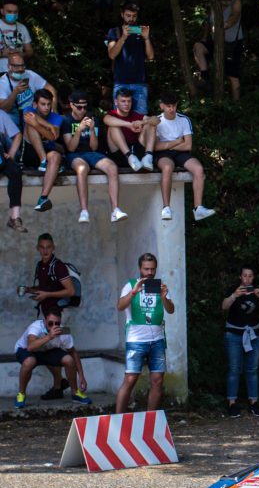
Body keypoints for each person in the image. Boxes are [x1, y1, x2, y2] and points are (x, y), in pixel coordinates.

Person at [115, 253, 174, 414]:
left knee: (157, 381)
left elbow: (171, 310)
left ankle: (150, 420)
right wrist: (134, 292)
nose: (149, 272)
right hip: (136, 340)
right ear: (140, 268)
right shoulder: (130, 285)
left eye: (152, 269)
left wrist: (164, 297)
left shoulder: (160, 286)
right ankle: (118, 419)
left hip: (157, 340)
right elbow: (120, 306)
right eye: (146, 269)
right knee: (130, 380)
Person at [23, 232, 78, 398]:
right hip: (46, 313)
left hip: (60, 314)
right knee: (47, 348)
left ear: (53, 248)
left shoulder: (58, 266)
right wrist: (29, 290)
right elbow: (44, 287)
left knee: (53, 349)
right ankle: (59, 383)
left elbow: (70, 291)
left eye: (48, 247)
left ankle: (59, 386)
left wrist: (47, 295)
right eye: (42, 247)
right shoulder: (40, 265)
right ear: (37, 248)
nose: (45, 250)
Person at [61, 90, 128, 224]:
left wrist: (91, 130)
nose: (82, 110)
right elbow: (70, 148)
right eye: (79, 107)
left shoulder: (92, 118)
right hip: (74, 154)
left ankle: (115, 210)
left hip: (91, 153)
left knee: (112, 167)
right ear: (72, 105)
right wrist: (79, 130)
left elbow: (94, 147)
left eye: (85, 107)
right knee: (82, 169)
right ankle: (84, 211)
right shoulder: (66, 120)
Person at [153, 91, 216, 221]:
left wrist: (168, 145)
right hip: (163, 154)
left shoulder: (184, 119)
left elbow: (188, 146)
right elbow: (156, 147)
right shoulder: (157, 121)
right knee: (167, 168)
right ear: (162, 106)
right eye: (168, 106)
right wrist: (176, 142)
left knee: (198, 169)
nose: (171, 109)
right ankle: (166, 208)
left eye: (174, 105)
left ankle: (198, 208)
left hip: (180, 152)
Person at [14, 309, 92, 409]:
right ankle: (21, 394)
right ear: (44, 321)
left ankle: (75, 393)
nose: (54, 326)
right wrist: (49, 337)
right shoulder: (36, 327)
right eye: (50, 323)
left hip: (46, 351)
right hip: (25, 350)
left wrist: (81, 376)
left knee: (68, 359)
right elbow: (30, 347)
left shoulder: (63, 332)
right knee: (29, 361)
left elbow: (73, 353)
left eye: (57, 323)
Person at [221, 266, 259, 418]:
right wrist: (234, 295)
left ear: (253, 277)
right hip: (234, 334)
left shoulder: (257, 291)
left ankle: (254, 402)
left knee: (252, 369)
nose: (247, 279)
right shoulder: (233, 290)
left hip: (254, 334)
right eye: (245, 276)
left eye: (250, 276)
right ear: (240, 277)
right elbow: (224, 306)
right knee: (234, 368)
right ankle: (232, 402)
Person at [193, 0, 243, 100]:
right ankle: (205, 78)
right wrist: (205, 37)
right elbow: (208, 21)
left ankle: (237, 105)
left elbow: (234, 17)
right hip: (215, 43)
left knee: (233, 76)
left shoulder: (236, 2)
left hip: (232, 44)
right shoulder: (214, 3)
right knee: (198, 47)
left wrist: (223, 26)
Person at [105, 0, 154, 113]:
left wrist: (147, 38)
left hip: (140, 83)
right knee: (119, 118)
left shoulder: (141, 31)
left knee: (140, 118)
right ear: (122, 14)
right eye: (128, 15)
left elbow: (151, 56)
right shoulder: (115, 31)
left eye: (134, 16)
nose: (131, 19)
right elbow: (112, 55)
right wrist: (123, 37)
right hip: (120, 82)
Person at [23, 88, 64, 213]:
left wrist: (37, 124)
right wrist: (48, 126)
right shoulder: (28, 110)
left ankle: (43, 198)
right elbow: (30, 119)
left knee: (56, 156)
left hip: (48, 150)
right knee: (30, 125)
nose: (46, 107)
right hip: (30, 152)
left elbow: (52, 137)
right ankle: (43, 160)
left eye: (48, 104)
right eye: (43, 104)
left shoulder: (57, 117)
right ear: (35, 104)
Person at [102, 86, 158, 171]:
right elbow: (106, 120)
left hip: (136, 153)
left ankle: (148, 157)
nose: (126, 104)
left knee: (150, 123)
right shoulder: (111, 114)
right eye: (123, 101)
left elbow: (156, 120)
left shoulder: (135, 115)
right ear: (116, 102)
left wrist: (142, 122)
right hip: (120, 154)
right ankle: (130, 157)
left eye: (129, 101)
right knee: (113, 127)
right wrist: (129, 125)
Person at [0, 54, 57, 126]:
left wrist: (53, 108)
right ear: (9, 66)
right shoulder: (2, 83)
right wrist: (15, 92)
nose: (20, 69)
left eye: (22, 65)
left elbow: (51, 89)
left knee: (57, 120)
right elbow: (4, 109)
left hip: (34, 116)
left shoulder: (30, 74)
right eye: (17, 66)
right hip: (13, 122)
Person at [0, 106, 25, 231]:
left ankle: (15, 218)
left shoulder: (1, 114)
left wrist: (10, 154)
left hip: (1, 155)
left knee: (16, 171)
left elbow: (18, 135)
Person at [0, 0, 33, 73]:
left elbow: (29, 50)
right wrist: (2, 53)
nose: (12, 14)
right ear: (2, 11)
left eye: (15, 12)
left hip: (18, 69)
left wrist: (22, 54)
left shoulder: (22, 27)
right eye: (9, 11)